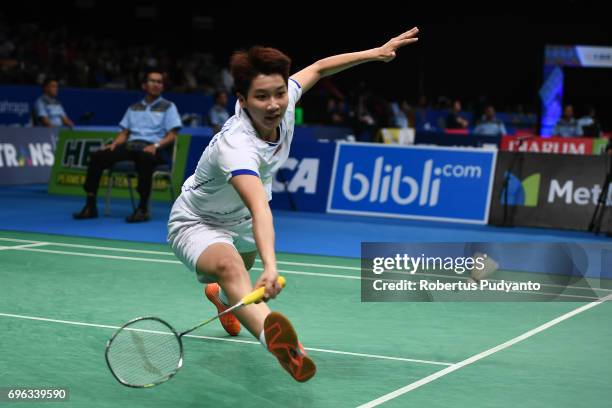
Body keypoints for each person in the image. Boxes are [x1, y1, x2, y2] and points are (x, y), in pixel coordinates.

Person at [167, 27, 420, 382]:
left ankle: (225, 300)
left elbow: (318, 67)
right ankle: (285, 348)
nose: (273, 105)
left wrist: (375, 53)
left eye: (278, 94)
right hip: (198, 221)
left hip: (240, 222)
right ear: (242, 100)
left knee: (238, 271)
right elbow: (259, 206)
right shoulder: (235, 146)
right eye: (261, 97)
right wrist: (271, 265)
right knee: (230, 266)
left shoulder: (283, 103)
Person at [73, 68, 182, 222]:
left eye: (159, 82)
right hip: (132, 146)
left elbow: (173, 134)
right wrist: (114, 144)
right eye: (152, 81)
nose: (156, 84)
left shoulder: (168, 107)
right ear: (144, 85)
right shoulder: (134, 107)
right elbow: (124, 133)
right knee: (98, 156)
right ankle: (90, 206)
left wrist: (155, 146)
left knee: (145, 158)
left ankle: (143, 208)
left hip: (153, 149)